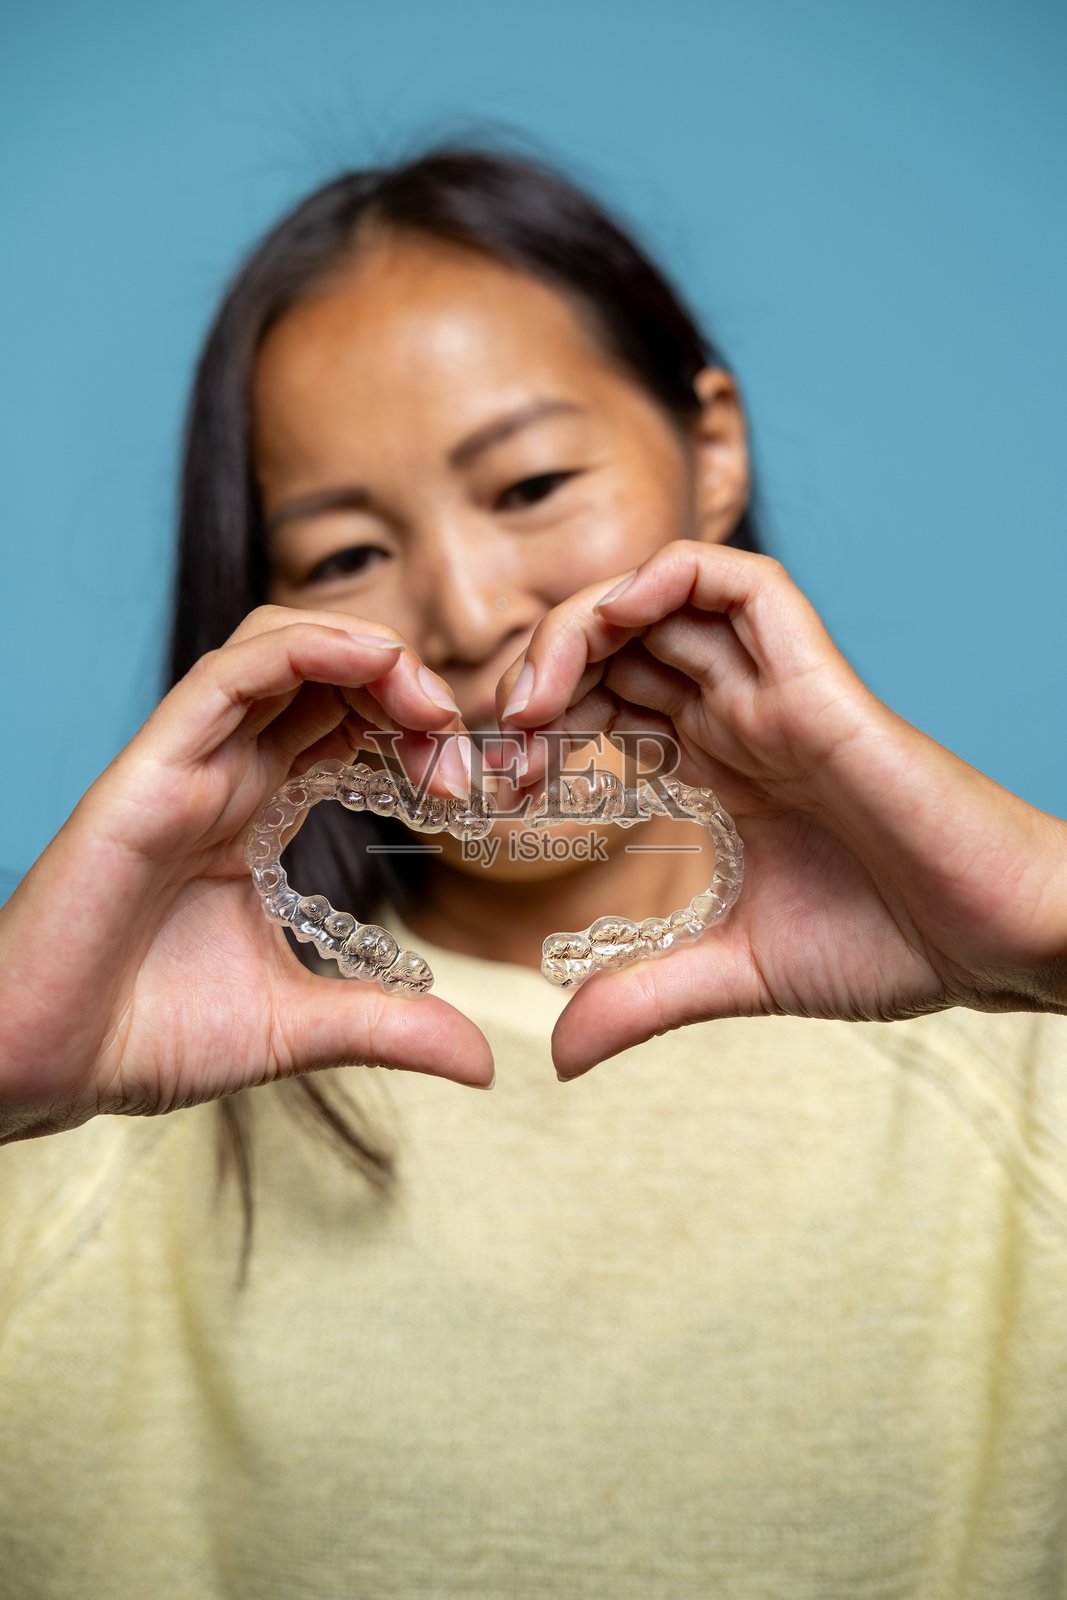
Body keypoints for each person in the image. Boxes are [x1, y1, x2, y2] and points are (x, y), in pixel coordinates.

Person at [2, 146, 1067, 1598]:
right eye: (347, 551)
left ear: (715, 446)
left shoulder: (1028, 1047)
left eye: (532, 483)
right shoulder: (87, 1099)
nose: (465, 610)